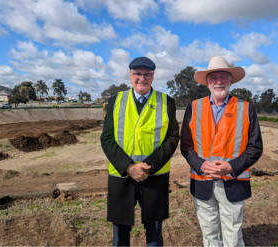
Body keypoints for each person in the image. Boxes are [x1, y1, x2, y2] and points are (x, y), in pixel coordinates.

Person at [180, 56, 263, 247]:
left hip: (233, 182)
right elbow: (186, 145)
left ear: (231, 80)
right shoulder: (193, 107)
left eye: (223, 77)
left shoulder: (246, 108)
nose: (219, 81)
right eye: (214, 77)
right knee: (209, 233)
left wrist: (231, 166)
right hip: (202, 182)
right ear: (207, 82)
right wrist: (200, 165)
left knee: (232, 235)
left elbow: (255, 148)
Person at [100, 57, 179, 246]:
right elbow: (107, 138)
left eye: (147, 74)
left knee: (154, 234)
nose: (141, 78)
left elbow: (173, 137)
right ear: (130, 74)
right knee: (120, 237)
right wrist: (128, 167)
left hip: (155, 176)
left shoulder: (166, 102)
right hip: (121, 176)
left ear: (153, 76)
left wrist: (147, 167)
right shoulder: (114, 101)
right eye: (137, 74)